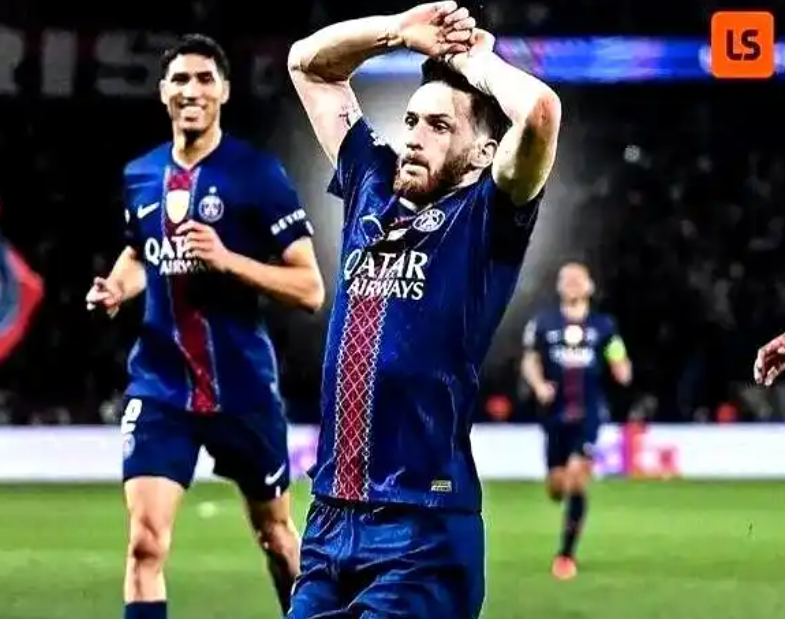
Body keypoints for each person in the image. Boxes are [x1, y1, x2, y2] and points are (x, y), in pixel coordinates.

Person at [287, 3, 561, 617]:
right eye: (411, 120)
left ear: (484, 152)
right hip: (329, 519)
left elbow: (541, 112)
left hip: (423, 530)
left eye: (439, 125)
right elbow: (307, 65)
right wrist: (399, 32)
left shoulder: (486, 218)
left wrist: (474, 61)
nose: (413, 136)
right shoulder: (371, 184)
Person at [85, 34, 324, 619]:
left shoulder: (257, 175)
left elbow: (310, 289)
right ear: (163, 92)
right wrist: (116, 286)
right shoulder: (141, 175)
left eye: (204, 79)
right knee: (145, 545)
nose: (192, 90)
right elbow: (140, 251)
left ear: (224, 92)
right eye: (180, 79)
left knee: (276, 536)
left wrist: (228, 260)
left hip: (241, 387)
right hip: (160, 386)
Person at [521, 261, 632, 579]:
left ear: (589, 287)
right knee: (557, 485)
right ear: (558, 286)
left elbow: (618, 355)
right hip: (554, 415)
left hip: (589, 414)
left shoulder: (603, 326)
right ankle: (558, 488)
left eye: (578, 278)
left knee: (576, 477)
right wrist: (539, 385)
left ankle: (566, 555)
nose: (572, 282)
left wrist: (622, 367)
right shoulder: (543, 323)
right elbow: (530, 361)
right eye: (566, 278)